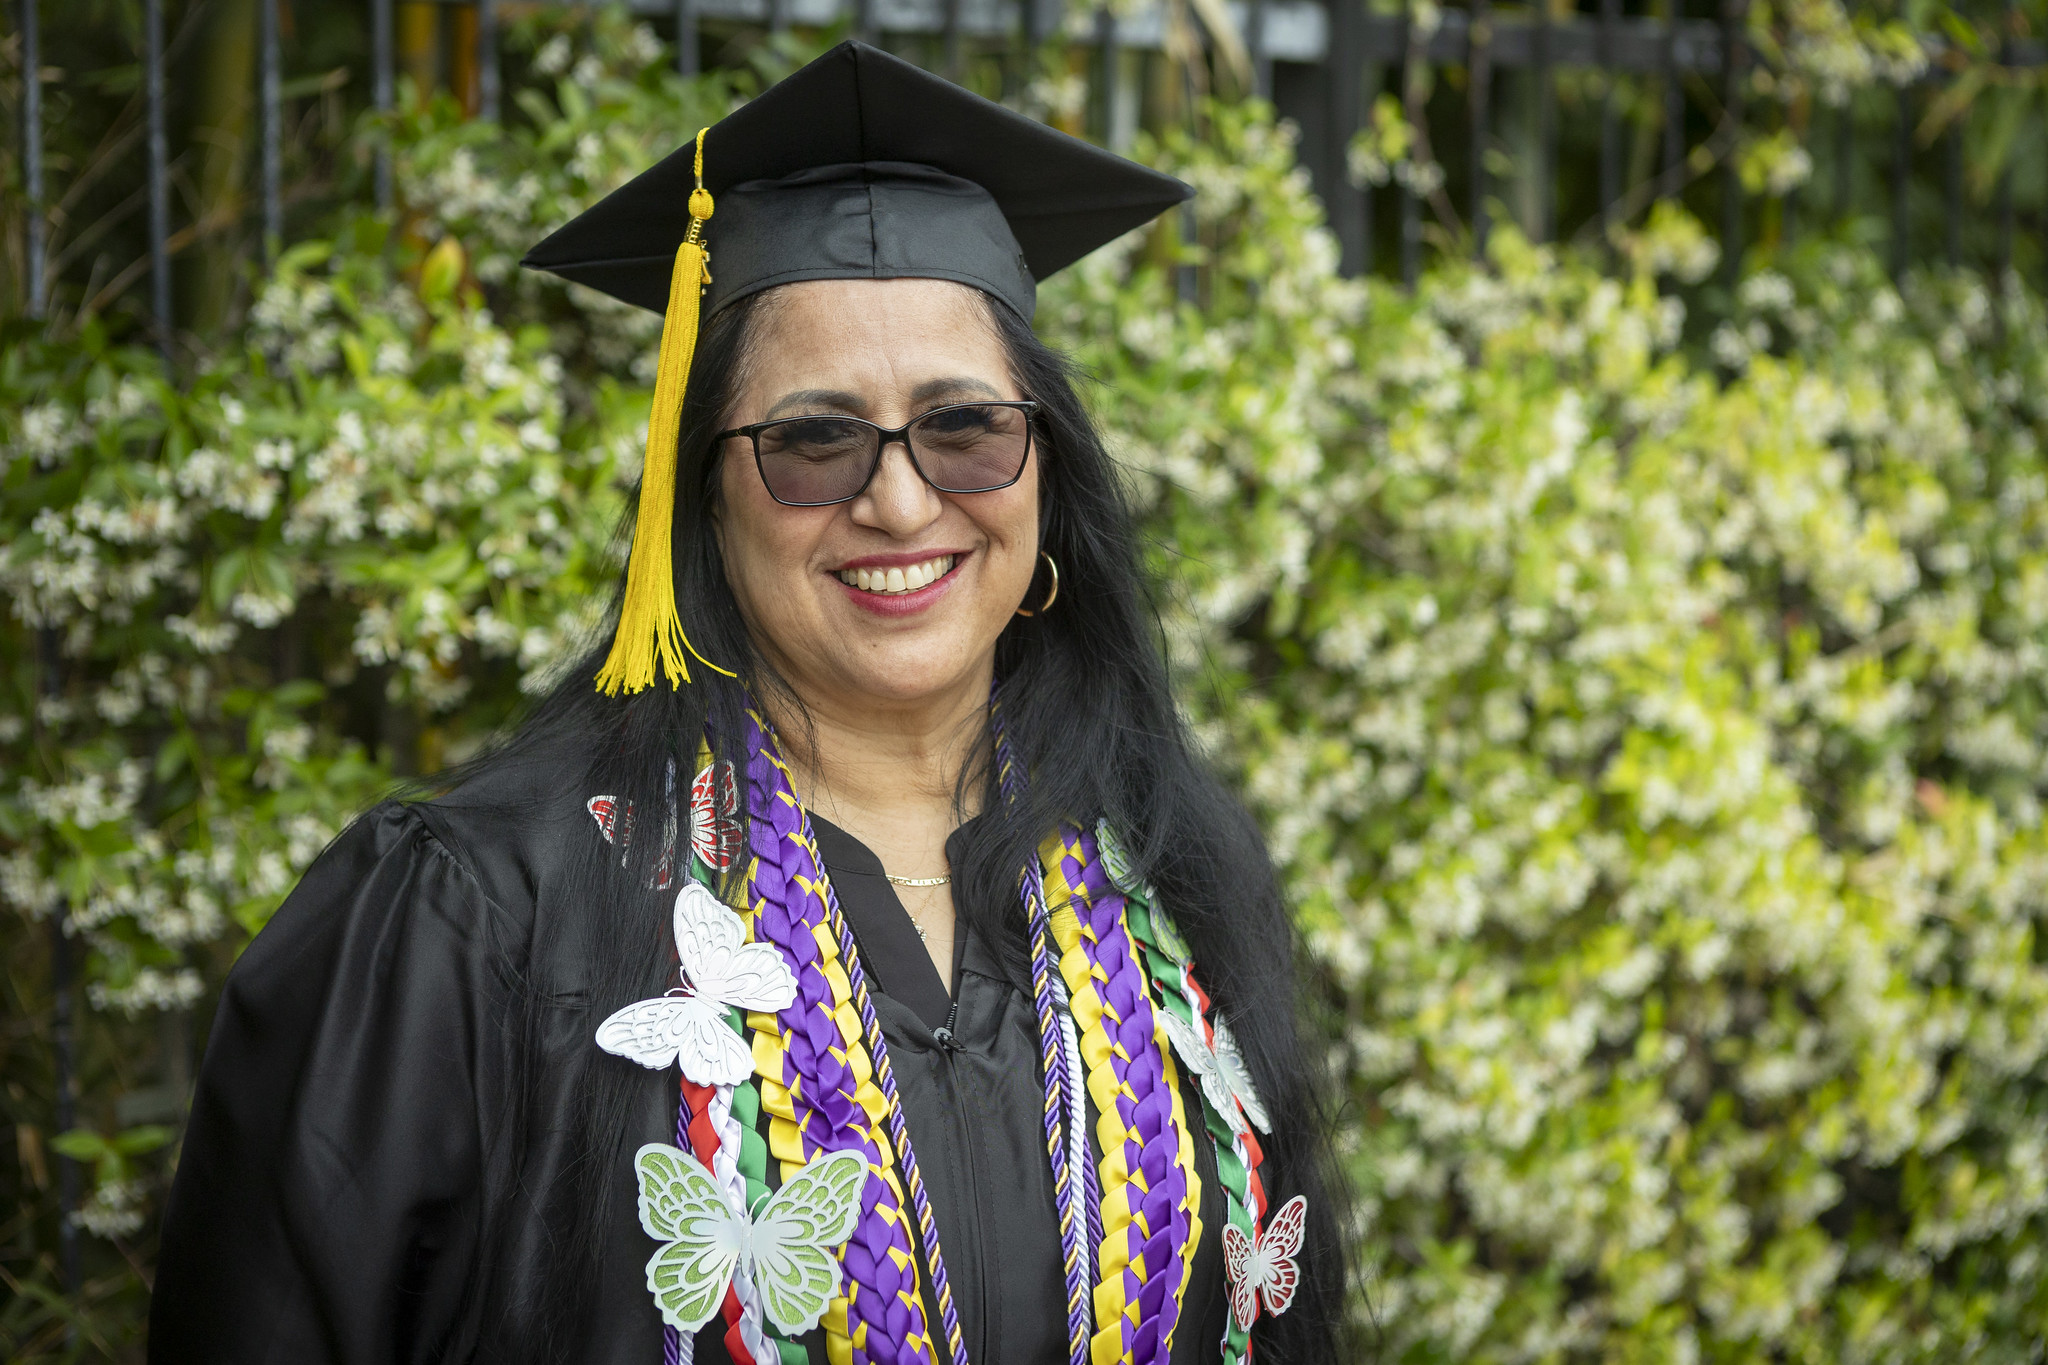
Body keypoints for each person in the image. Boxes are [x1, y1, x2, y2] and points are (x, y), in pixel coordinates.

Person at [150, 41, 1348, 1365]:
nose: (899, 499)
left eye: (964, 427)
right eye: (813, 439)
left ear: (1044, 468)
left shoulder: (1169, 885)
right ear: (703, 495)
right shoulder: (482, 924)